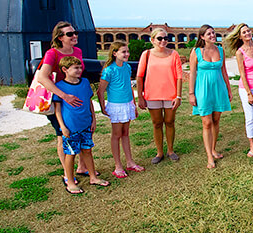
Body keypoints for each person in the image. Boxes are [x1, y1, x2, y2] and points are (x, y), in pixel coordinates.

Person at [35, 21, 92, 182]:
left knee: (82, 131)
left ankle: (82, 166)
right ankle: (68, 173)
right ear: (60, 37)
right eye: (69, 34)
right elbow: (42, 77)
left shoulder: (78, 51)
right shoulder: (52, 53)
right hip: (60, 99)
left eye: (75, 33)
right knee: (63, 134)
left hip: (76, 98)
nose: (74, 36)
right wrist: (63, 95)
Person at [53, 56, 109, 193]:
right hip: (71, 126)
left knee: (87, 151)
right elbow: (57, 109)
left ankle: (92, 176)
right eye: (75, 68)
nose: (79, 70)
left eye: (80, 67)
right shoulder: (59, 87)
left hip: (86, 124)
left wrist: (93, 119)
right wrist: (63, 126)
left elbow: (89, 102)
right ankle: (70, 181)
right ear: (65, 70)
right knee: (70, 154)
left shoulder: (84, 82)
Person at [136, 28, 183, 164]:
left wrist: (178, 96)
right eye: (160, 38)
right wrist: (140, 96)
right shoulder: (147, 54)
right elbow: (139, 76)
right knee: (157, 123)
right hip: (152, 95)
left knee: (169, 121)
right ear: (152, 40)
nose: (163, 41)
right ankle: (159, 152)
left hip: (170, 94)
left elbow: (179, 77)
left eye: (166, 38)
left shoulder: (174, 54)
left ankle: (170, 150)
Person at [189, 24, 232, 168]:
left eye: (213, 33)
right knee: (206, 122)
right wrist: (191, 94)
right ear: (202, 37)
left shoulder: (220, 50)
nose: (213, 36)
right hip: (202, 90)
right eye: (209, 34)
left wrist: (229, 90)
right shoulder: (196, 52)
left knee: (216, 120)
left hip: (218, 89)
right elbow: (192, 74)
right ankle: (209, 156)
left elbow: (224, 71)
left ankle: (213, 149)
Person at [98, 41, 143, 178]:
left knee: (125, 133)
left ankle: (130, 162)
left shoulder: (127, 67)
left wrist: (133, 105)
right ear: (114, 53)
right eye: (123, 52)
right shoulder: (109, 70)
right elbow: (101, 91)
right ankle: (118, 165)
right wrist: (102, 107)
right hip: (116, 106)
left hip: (127, 104)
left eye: (127, 51)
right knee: (116, 135)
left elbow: (129, 86)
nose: (127, 54)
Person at [224, 23, 253, 157]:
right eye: (244, 32)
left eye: (248, 30)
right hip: (247, 88)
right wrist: (249, 93)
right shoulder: (240, 52)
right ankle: (251, 146)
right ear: (239, 36)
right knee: (250, 117)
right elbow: (242, 74)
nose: (247, 33)